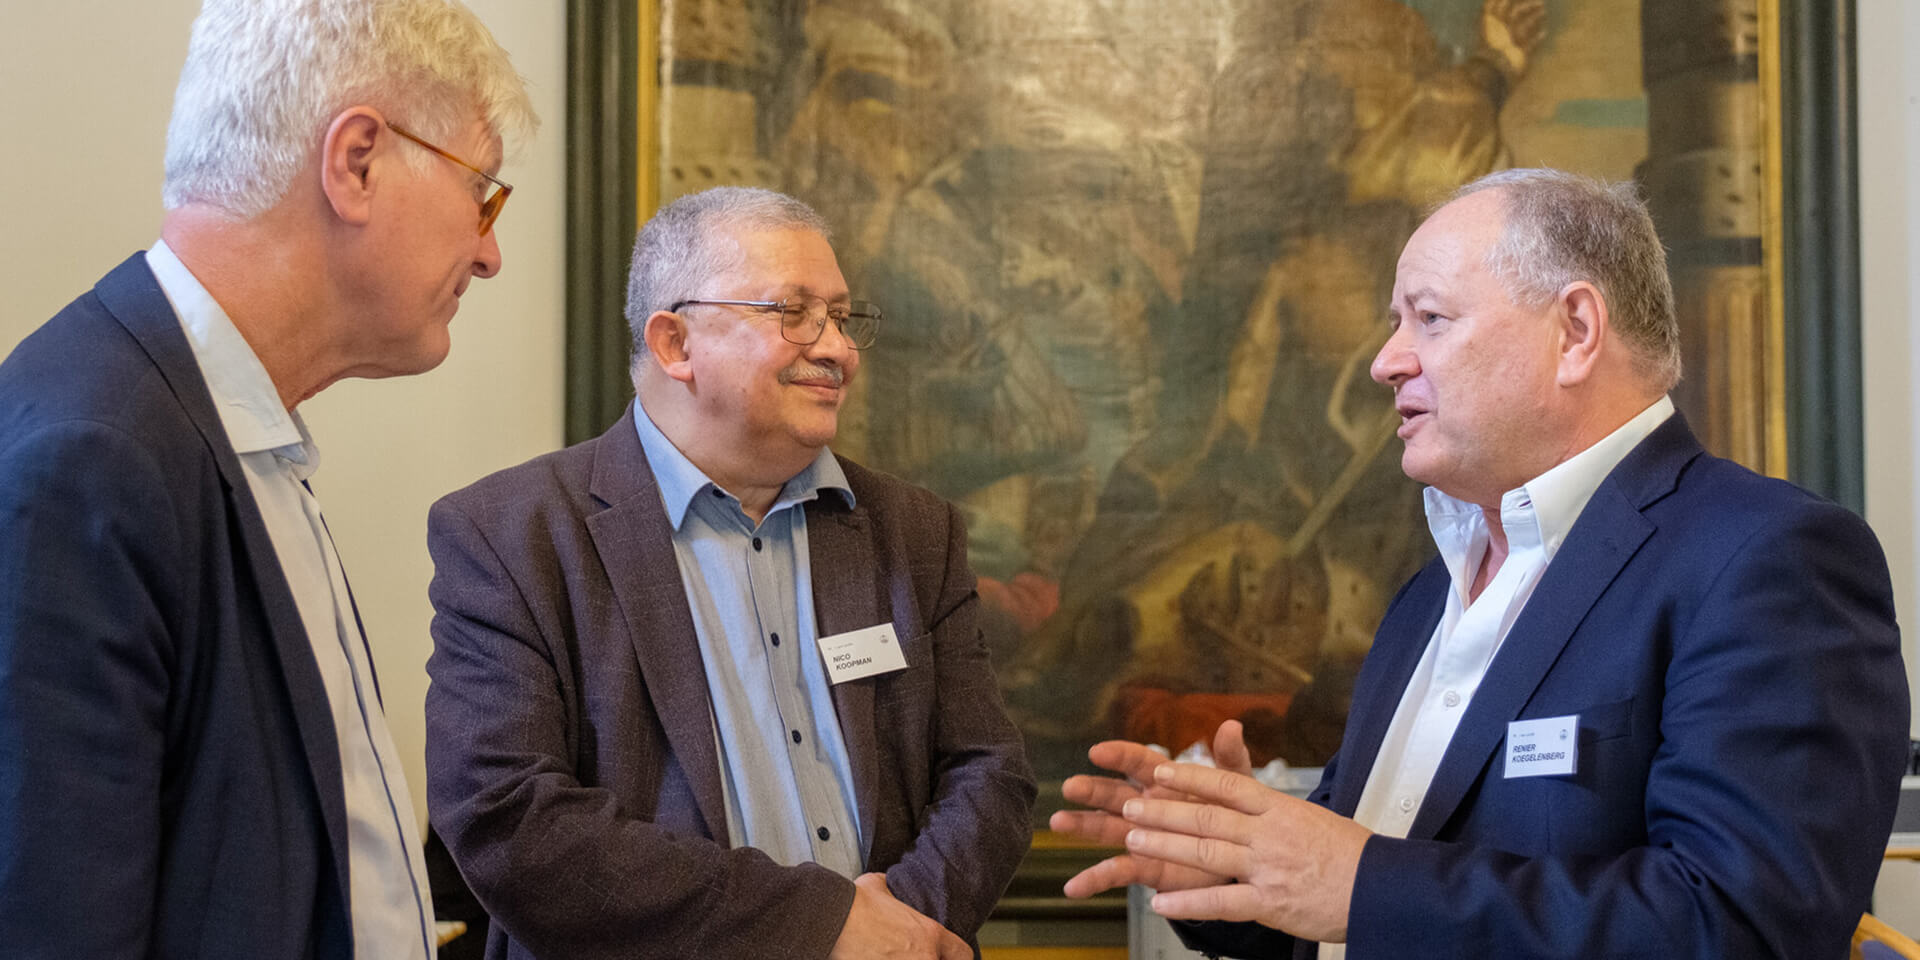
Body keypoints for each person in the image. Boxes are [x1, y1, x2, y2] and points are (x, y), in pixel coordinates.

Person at [1051, 168, 1910, 959]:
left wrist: (1358, 886)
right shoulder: (1429, 594)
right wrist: (1238, 877)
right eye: (1396, 324)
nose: (1387, 361)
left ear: (1574, 331)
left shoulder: (1767, 558)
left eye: (1429, 317)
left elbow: (1745, 925)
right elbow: (1361, 909)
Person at [0, 1, 535, 957]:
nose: (490, 251)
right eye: (482, 194)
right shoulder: (96, 456)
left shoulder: (229, 427)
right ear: (357, 161)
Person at [423, 186, 1036, 960]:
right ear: (676, 343)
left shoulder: (914, 531)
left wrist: (897, 937)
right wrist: (821, 929)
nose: (837, 348)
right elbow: (509, 821)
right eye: (794, 313)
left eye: (843, 317)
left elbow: (990, 771)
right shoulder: (514, 535)